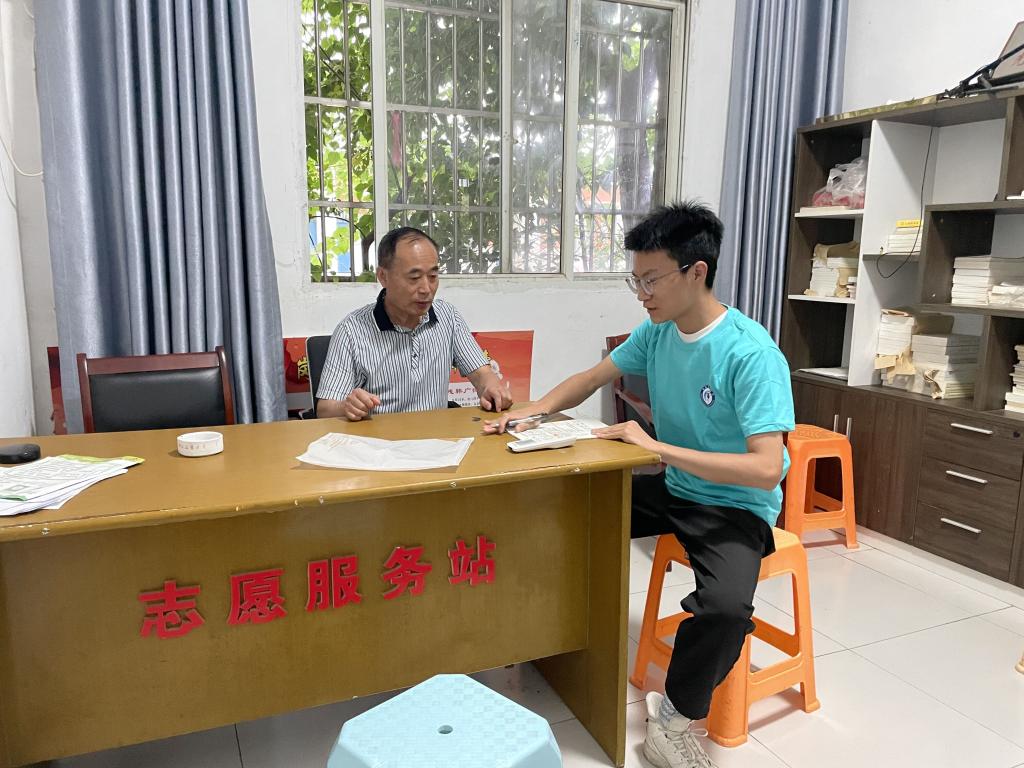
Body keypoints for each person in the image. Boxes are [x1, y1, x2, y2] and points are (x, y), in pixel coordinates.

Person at [485, 202, 794, 768]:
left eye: (651, 280)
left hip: (734, 506)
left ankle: (672, 722)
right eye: (637, 280)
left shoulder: (750, 353)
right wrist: (533, 410)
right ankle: (548, 643)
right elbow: (590, 378)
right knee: (560, 515)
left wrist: (656, 449)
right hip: (676, 487)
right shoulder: (658, 332)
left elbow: (766, 468)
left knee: (725, 609)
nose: (642, 294)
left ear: (696, 272)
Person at [317, 227, 512, 419]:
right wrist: (348, 406)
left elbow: (482, 374)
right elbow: (325, 410)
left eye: (433, 276)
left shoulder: (448, 316)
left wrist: (491, 386)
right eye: (414, 278)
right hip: (379, 438)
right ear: (383, 277)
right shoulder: (351, 330)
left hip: (437, 435)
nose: (426, 289)